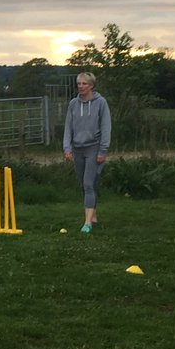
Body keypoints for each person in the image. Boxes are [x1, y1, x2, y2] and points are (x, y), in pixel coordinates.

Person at [63, 72, 111, 233]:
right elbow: (68, 127)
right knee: (84, 185)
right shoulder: (73, 104)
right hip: (77, 148)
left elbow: (106, 127)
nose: (81, 86)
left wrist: (103, 151)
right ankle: (93, 216)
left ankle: (87, 222)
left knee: (88, 184)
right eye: (79, 83)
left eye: (84, 84)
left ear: (91, 86)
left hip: (94, 148)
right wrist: (67, 148)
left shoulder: (101, 103)